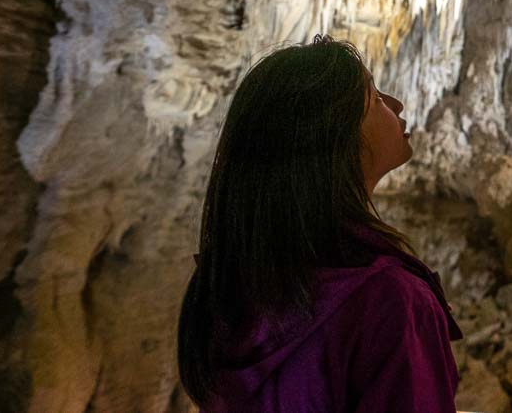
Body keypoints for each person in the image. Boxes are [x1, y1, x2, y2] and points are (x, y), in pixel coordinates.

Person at [176, 36, 462, 412]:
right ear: (337, 136)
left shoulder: (224, 284)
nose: (396, 104)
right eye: (374, 98)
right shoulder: (389, 300)